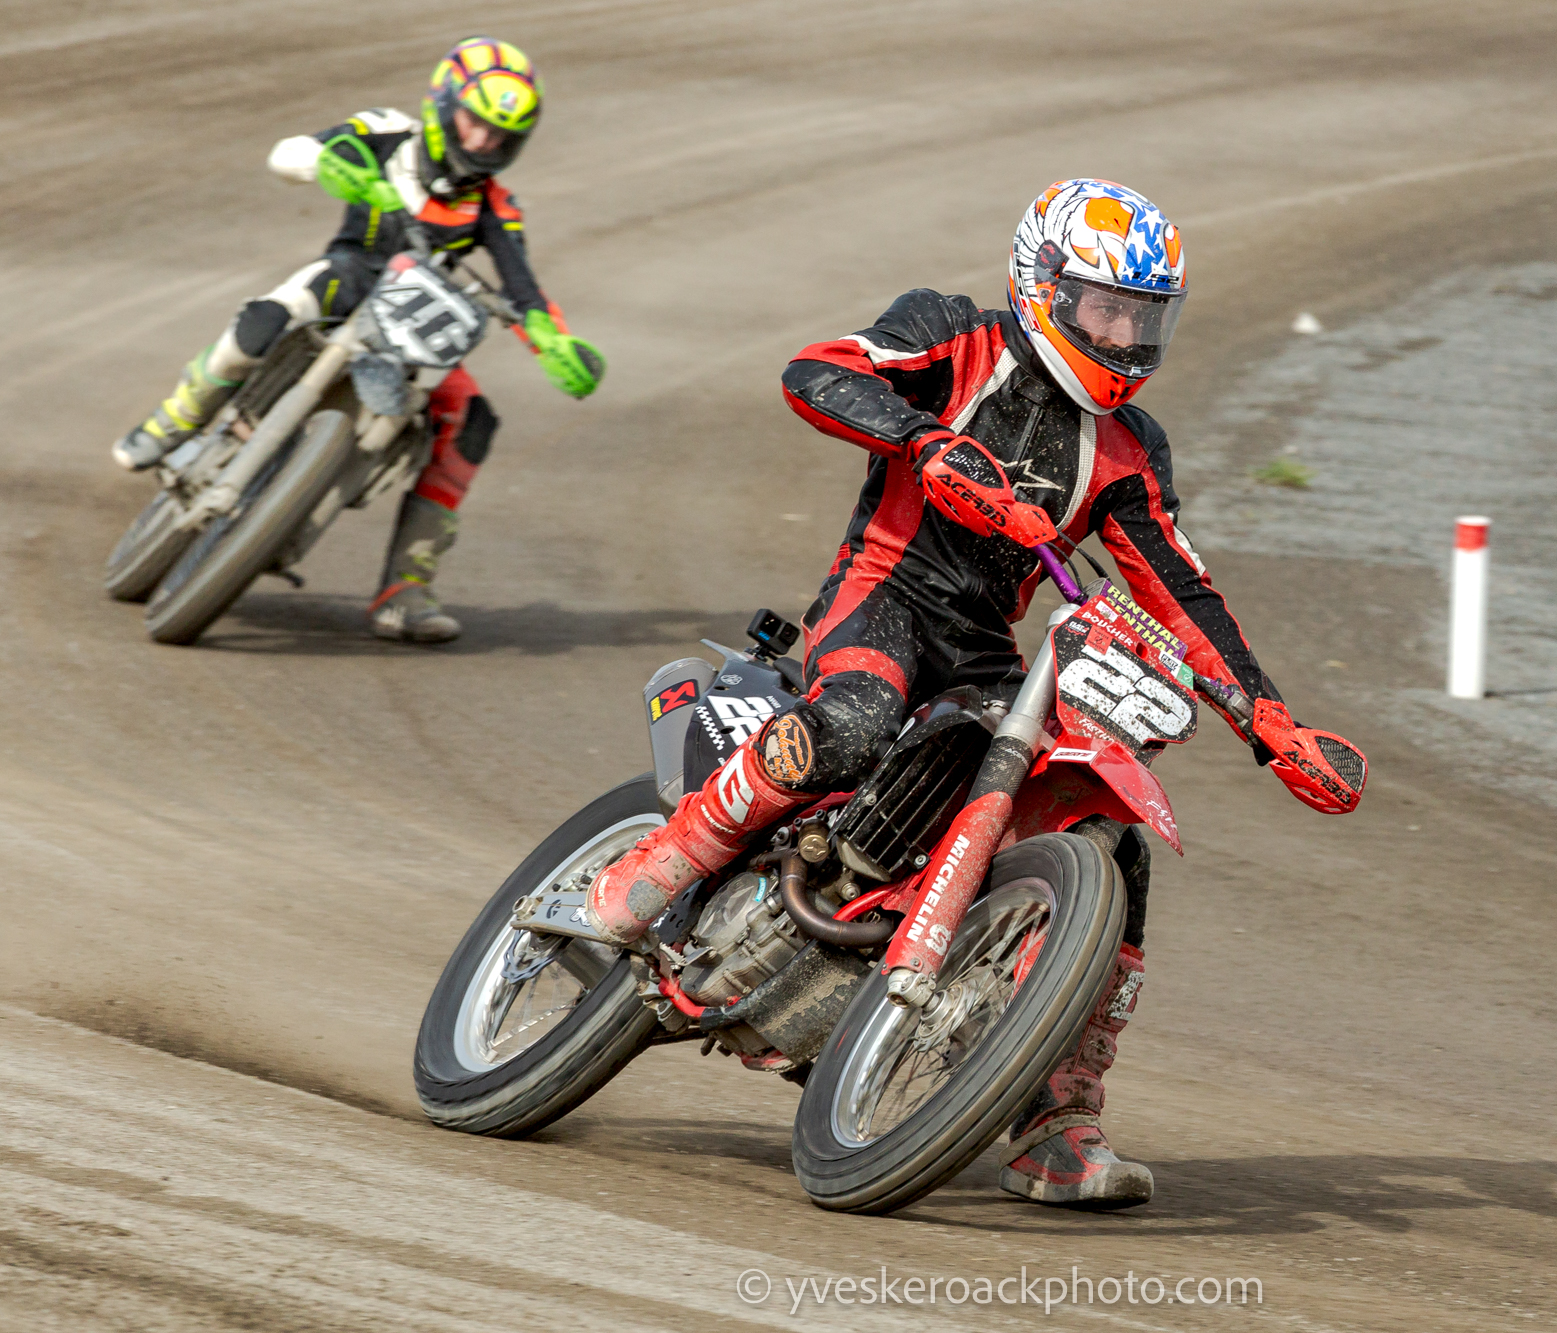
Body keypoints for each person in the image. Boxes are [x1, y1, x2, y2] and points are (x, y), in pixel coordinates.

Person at [587, 179, 1364, 1207]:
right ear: (1042, 285)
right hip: (882, 596)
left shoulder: (1129, 448)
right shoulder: (951, 336)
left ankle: (1056, 1121)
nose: (1123, 336)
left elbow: (1180, 588)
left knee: (1113, 849)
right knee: (853, 722)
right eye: (1104, 309)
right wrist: (923, 441)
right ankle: (665, 860)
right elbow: (816, 371)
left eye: (1143, 317)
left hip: (988, 651)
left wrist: (1272, 722)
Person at [111, 37, 604, 644]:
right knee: (264, 320)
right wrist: (328, 163)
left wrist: (554, 344)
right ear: (443, 104)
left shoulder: (496, 207)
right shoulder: (387, 131)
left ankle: (407, 587)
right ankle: (174, 420)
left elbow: (523, 286)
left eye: (500, 135)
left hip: (413, 321)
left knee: (473, 420)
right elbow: (289, 153)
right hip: (346, 281)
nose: (482, 142)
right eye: (474, 122)